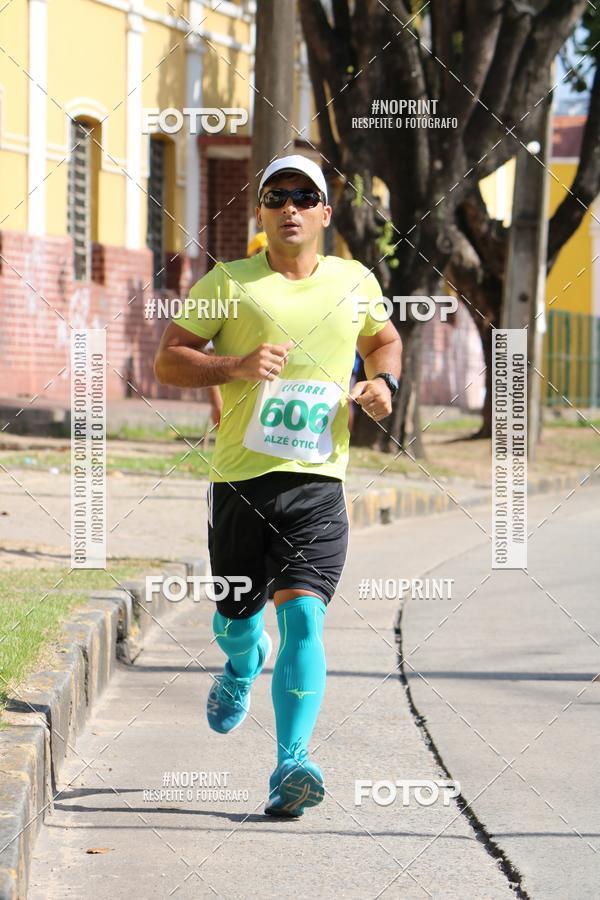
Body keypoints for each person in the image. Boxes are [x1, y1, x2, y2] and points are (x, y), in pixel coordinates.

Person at [154, 154, 401, 818]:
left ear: (325, 213)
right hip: (240, 482)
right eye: (275, 195)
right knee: (238, 622)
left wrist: (384, 384)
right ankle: (240, 663)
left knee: (303, 616)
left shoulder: (354, 280)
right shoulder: (228, 282)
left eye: (304, 196)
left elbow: (383, 341)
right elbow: (168, 359)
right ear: (261, 212)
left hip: (318, 484)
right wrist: (233, 363)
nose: (289, 206)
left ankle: (290, 764)